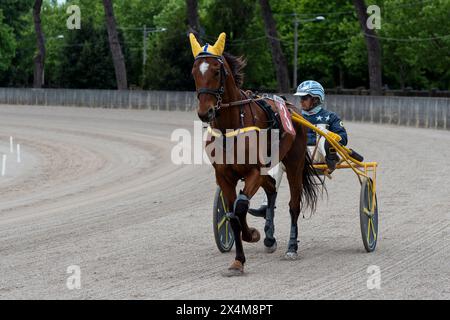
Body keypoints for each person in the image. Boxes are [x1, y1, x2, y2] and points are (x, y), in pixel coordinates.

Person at [249, 80, 348, 217]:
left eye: (305, 98)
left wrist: (329, 136)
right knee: (274, 166)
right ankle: (266, 205)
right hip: (296, 156)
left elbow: (343, 138)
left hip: (319, 154)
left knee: (323, 135)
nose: (301, 101)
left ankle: (331, 156)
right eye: (300, 98)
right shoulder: (294, 116)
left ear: (315, 99)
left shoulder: (330, 117)